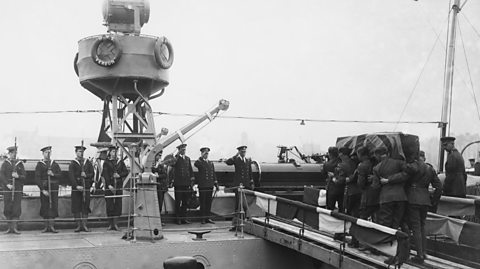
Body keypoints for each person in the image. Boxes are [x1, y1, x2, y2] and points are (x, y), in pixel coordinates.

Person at [405, 150, 442, 264]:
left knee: (416, 227)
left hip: (413, 199)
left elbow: (404, 181)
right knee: (422, 226)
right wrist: (433, 201)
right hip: (425, 200)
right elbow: (439, 187)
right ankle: (424, 252)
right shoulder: (430, 169)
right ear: (424, 158)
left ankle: (419, 255)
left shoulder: (413, 167)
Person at [225, 145, 254, 231]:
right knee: (238, 205)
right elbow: (228, 162)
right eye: (242, 152)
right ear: (239, 152)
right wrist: (235, 155)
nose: (243, 153)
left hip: (246, 186)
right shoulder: (236, 160)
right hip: (238, 186)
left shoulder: (248, 161)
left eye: (244, 151)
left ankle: (243, 222)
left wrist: (251, 182)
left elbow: (250, 173)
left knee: (245, 205)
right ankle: (236, 224)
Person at [34, 146, 62, 233]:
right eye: (46, 152)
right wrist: (42, 190)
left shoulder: (54, 164)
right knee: (45, 206)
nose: (48, 154)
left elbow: (60, 175)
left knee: (53, 205)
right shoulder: (40, 164)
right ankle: (46, 227)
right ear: (43, 153)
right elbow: (37, 178)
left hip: (53, 189)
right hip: (45, 189)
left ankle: (52, 226)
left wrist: (53, 174)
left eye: (49, 152)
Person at [0, 146, 26, 234]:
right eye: (12, 153)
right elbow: (2, 176)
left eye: (15, 153)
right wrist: (7, 184)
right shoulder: (5, 164)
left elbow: (24, 176)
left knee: (16, 207)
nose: (13, 155)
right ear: (9, 154)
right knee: (8, 207)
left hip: (17, 189)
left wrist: (18, 176)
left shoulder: (20, 164)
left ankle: (15, 228)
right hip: (8, 189)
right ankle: (9, 228)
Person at [69, 145, 94, 232]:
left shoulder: (87, 162)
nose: (81, 153)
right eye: (79, 151)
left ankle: (84, 225)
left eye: (82, 151)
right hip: (77, 189)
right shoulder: (73, 163)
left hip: (85, 187)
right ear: (76, 152)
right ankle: (78, 225)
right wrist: (76, 186)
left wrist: (86, 175)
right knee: (76, 207)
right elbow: (71, 176)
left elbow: (92, 174)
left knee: (85, 206)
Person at [102, 146, 128, 230]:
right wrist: (109, 185)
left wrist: (119, 175)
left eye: (116, 151)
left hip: (118, 186)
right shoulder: (106, 162)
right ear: (109, 152)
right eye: (113, 151)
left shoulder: (120, 162)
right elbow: (105, 174)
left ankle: (116, 224)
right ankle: (110, 224)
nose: (114, 153)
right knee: (109, 205)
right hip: (109, 187)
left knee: (118, 205)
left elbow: (125, 172)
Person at [170, 144, 194, 225]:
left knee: (185, 202)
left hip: (186, 183)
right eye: (182, 150)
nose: (184, 151)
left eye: (184, 150)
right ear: (179, 150)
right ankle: (178, 219)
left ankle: (184, 218)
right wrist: (177, 154)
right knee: (178, 202)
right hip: (179, 184)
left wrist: (192, 178)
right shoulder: (176, 158)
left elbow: (190, 169)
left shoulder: (187, 159)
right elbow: (172, 164)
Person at [194, 147, 218, 224]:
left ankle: (207, 217)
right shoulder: (199, 162)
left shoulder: (210, 163)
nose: (206, 155)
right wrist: (201, 157)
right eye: (204, 153)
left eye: (207, 153)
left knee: (208, 202)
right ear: (202, 154)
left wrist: (216, 183)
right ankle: (203, 218)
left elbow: (213, 174)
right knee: (203, 202)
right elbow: (196, 164)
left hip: (210, 185)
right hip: (203, 185)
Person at [357, 146, 379, 222]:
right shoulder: (376, 163)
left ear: (360, 155)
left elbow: (361, 183)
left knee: (363, 215)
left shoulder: (362, 166)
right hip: (378, 193)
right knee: (376, 217)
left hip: (367, 194)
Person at [322, 147, 343, 211]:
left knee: (330, 208)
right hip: (342, 188)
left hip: (331, 187)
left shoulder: (327, 164)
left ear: (329, 154)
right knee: (341, 207)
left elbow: (323, 174)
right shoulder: (341, 162)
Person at [152, 150, 168, 219]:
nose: (159, 157)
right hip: (152, 187)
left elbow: (165, 175)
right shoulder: (150, 164)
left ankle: (159, 219)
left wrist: (158, 176)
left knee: (160, 203)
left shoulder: (162, 165)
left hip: (160, 186)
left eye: (160, 155)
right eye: (158, 155)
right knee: (153, 204)